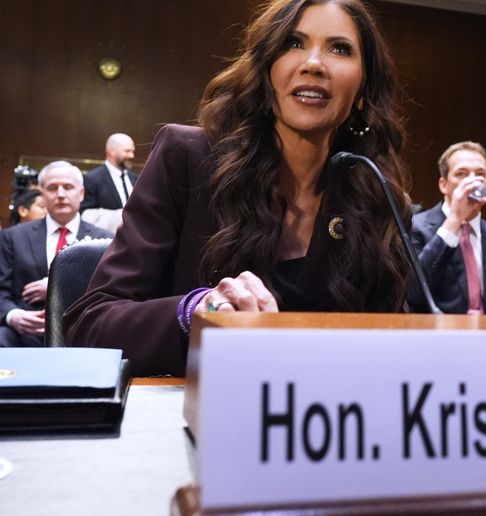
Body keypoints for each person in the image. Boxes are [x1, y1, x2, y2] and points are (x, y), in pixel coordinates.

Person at [64, 0, 412, 376]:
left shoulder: (380, 200)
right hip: (195, 408)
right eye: (293, 43)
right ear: (266, 69)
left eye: (340, 49)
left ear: (362, 90)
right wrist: (194, 312)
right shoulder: (186, 158)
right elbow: (90, 325)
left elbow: (395, 350)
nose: (314, 63)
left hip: (325, 410)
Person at [0, 161, 112, 347]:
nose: (60, 194)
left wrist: (56, 287)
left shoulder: (104, 240)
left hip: (85, 334)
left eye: (68, 187)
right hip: (25, 334)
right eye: (52, 188)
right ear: (42, 195)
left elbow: (110, 291)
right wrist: (14, 315)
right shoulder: (14, 236)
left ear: (81, 193)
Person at [410, 141, 486, 314]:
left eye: (480, 174)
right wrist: (455, 219)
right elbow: (414, 293)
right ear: (443, 185)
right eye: (461, 174)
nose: (472, 181)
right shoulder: (416, 228)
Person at [81, 133, 138, 212]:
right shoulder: (92, 179)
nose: (132, 155)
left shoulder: (136, 178)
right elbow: (86, 213)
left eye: (133, 151)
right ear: (112, 151)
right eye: (127, 151)